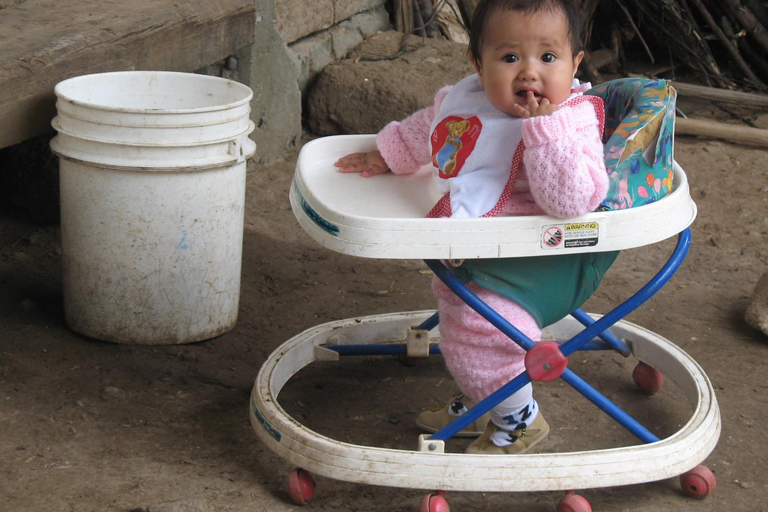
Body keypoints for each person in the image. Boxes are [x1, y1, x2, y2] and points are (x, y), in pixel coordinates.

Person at [335, 0, 618, 454]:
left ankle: (519, 420)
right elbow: (433, 128)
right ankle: (486, 396)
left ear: (575, 63)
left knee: (481, 327)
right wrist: (387, 154)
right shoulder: (471, 99)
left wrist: (544, 133)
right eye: (509, 58)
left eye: (548, 57)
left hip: (544, 260)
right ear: (478, 66)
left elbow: (569, 202)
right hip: (484, 249)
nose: (529, 73)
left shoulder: (572, 122)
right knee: (457, 310)